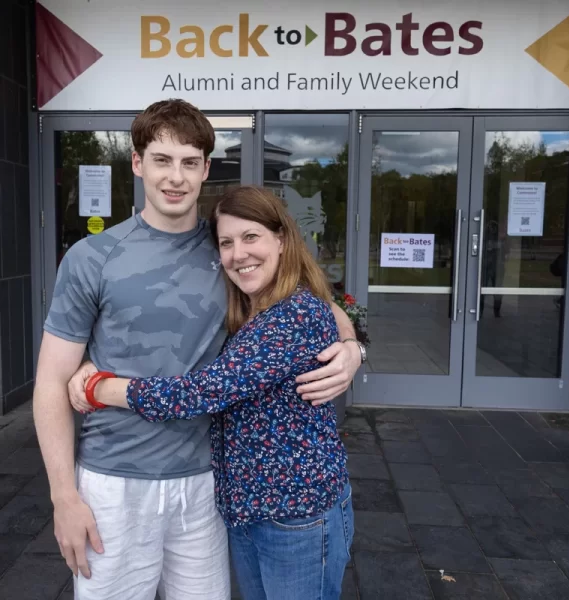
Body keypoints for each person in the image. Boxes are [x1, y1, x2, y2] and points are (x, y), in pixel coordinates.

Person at [32, 98, 364, 600]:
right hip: (114, 480)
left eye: (190, 162)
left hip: (207, 482)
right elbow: (50, 383)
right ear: (138, 163)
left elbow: (315, 306)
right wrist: (63, 496)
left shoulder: (229, 249)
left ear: (206, 169)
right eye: (162, 160)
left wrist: (352, 348)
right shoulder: (92, 257)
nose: (176, 177)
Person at [73, 185, 353, 600]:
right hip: (249, 514)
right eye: (227, 242)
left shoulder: (295, 312)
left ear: (281, 239)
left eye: (251, 237)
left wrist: (102, 388)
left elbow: (204, 391)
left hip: (297, 517)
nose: (239, 254)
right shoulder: (253, 306)